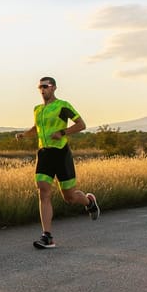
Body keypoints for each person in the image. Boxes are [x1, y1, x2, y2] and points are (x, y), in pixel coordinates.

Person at [15, 76, 99, 249]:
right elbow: (36, 127)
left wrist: (62, 132)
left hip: (61, 154)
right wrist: (25, 134)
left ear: (54, 88)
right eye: (40, 87)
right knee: (43, 191)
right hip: (44, 154)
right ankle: (47, 236)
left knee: (69, 197)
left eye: (45, 86)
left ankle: (89, 202)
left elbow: (81, 125)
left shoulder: (63, 106)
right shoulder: (37, 109)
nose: (42, 89)